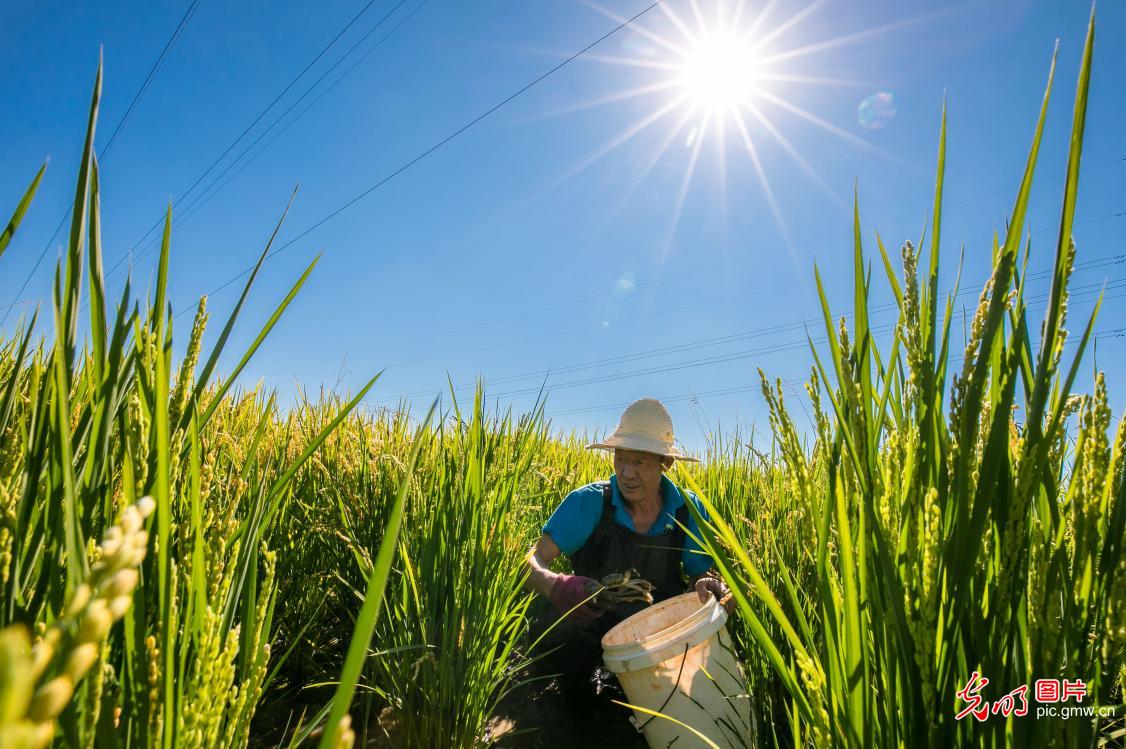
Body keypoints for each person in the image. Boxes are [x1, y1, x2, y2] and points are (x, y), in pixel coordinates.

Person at [524, 397, 733, 718]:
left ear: (665, 463)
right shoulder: (588, 503)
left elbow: (700, 576)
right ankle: (575, 708)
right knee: (560, 635)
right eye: (620, 458)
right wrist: (558, 586)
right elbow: (532, 561)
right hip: (591, 624)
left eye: (640, 462)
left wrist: (711, 586)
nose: (626, 472)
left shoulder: (686, 510)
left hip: (655, 633)